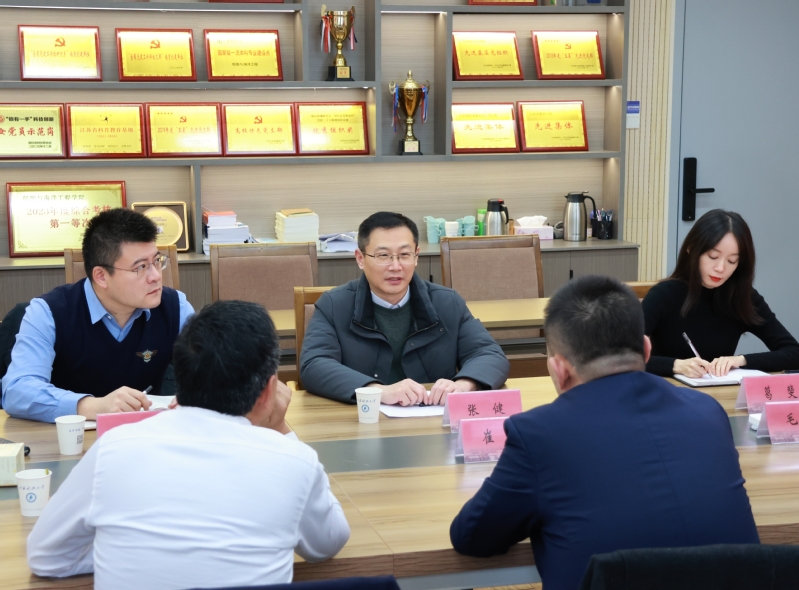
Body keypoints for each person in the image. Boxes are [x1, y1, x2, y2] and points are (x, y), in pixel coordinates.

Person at [450, 276, 759, 590]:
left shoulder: (539, 434)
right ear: (647, 349)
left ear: (559, 369)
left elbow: (472, 536)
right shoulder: (708, 412)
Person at [26, 300, 350, 590]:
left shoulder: (113, 449)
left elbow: (46, 557)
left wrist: (126, 550)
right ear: (269, 391)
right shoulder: (293, 461)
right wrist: (280, 429)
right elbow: (328, 543)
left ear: (180, 375)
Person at [2, 208, 194, 422]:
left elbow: (211, 371)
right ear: (101, 276)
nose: (156, 276)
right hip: (68, 438)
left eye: (157, 261)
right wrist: (92, 406)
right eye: (141, 267)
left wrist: (196, 396)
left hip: (144, 434)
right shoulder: (49, 313)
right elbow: (16, 391)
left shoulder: (176, 307)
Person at [300, 211, 509, 406]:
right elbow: (314, 365)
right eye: (383, 255)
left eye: (404, 254)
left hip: (432, 420)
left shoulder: (447, 303)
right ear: (360, 259)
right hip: (364, 419)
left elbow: (489, 354)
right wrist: (378, 391)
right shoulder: (334, 305)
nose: (395, 266)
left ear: (416, 256)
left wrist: (464, 385)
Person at [643, 209, 799, 378]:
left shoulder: (741, 297)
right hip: (666, 389)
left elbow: (793, 352)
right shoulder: (664, 295)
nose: (720, 268)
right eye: (713, 256)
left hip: (718, 390)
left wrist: (740, 360)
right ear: (691, 249)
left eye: (732, 261)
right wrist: (676, 365)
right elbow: (624, 355)